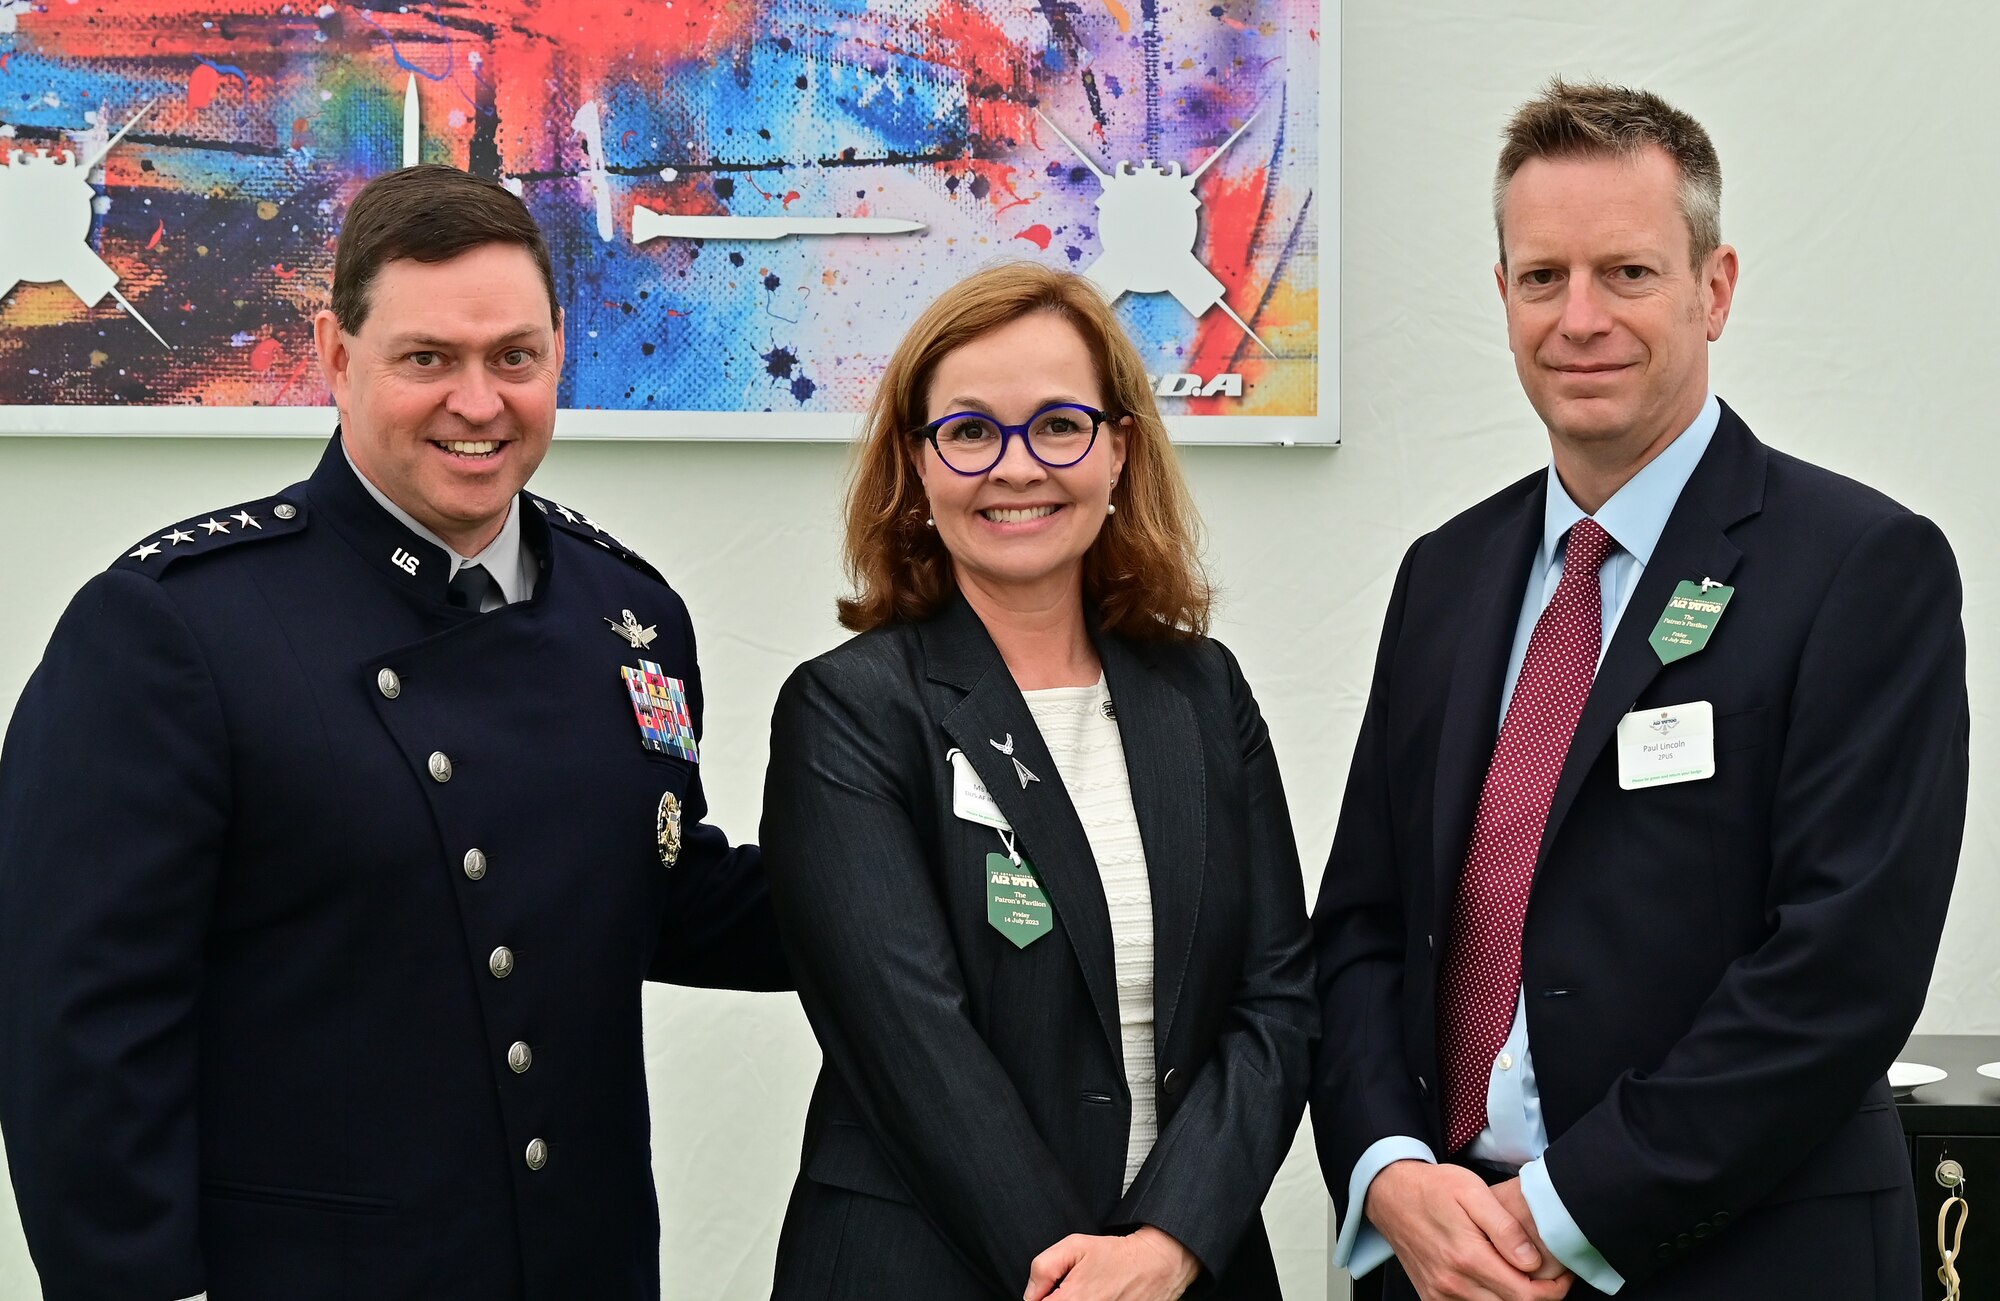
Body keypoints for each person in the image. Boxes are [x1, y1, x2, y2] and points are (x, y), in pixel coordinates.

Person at [0, 164, 789, 1300]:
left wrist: (932, 879)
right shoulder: (175, 626)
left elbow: (651, 892)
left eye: (513, 357)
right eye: (428, 359)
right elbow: (80, 1033)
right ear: (334, 354)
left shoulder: (628, 617)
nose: (478, 402)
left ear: (559, 352)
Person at [1312, 80, 1968, 1301]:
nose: (1579, 319)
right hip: (1443, 1265)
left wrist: (1564, 1210)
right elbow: (1361, 925)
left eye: (1625, 273)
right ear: (1499, 294)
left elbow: (1839, 968)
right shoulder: (1443, 575)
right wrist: (1389, 1169)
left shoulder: (1859, 567)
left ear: (1710, 291)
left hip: (1740, 1259)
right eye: (1540, 277)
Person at [760, 261, 1316, 1300]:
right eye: (969, 431)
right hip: (928, 1269)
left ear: (1117, 449)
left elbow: (1275, 1000)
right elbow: (912, 1046)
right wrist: (1077, 1279)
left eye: (1058, 425)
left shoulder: (1202, 692)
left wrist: (1168, 1242)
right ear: (915, 468)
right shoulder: (849, 711)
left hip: (1183, 1271)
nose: (1016, 466)